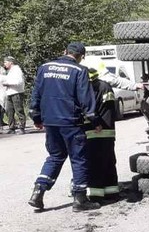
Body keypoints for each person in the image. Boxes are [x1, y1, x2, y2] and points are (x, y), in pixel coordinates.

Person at [28, 42, 101, 212]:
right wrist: (95, 121)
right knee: (79, 159)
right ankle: (80, 199)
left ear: (65, 51)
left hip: (50, 122)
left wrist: (36, 117)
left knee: (55, 156)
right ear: (81, 56)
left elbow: (36, 94)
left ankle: (38, 192)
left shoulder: (44, 68)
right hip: (71, 122)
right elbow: (85, 99)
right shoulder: (79, 71)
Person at [84, 66, 119, 201]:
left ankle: (96, 195)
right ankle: (112, 192)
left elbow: (89, 110)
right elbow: (110, 109)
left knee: (94, 163)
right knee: (109, 161)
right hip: (108, 130)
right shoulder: (106, 87)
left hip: (94, 130)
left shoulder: (87, 89)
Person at [1, 56, 26, 134]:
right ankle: (12, 127)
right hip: (9, 93)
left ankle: (22, 127)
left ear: (10, 62)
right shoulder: (10, 71)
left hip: (16, 92)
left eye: (5, 62)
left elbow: (19, 82)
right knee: (9, 111)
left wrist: (8, 83)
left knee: (19, 110)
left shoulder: (17, 70)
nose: (4, 64)